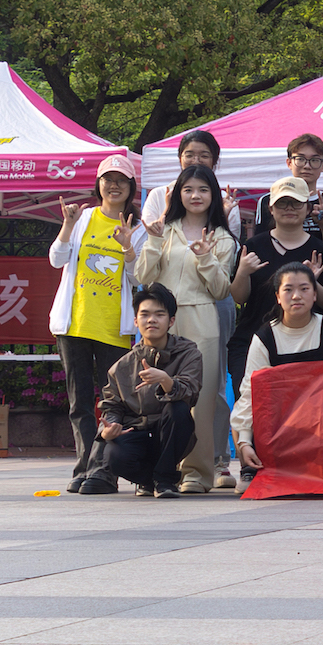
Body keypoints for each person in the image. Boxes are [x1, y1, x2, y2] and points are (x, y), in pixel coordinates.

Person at [134, 162, 236, 493]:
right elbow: (143, 276)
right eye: (188, 189)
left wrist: (205, 257)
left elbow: (220, 290)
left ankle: (196, 473)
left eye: (203, 190)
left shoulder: (223, 237)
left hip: (202, 318)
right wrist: (153, 240)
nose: (195, 196)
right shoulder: (165, 229)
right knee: (154, 397)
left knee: (200, 400)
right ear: (178, 194)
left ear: (214, 195)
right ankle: (156, 471)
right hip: (162, 321)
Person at [51, 153, 141, 491]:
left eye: (121, 180)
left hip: (113, 328)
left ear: (131, 187)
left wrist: (128, 247)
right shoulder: (83, 218)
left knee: (112, 404)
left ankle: (105, 470)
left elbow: (138, 277)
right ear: (99, 184)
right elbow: (56, 259)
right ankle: (84, 467)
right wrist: (67, 225)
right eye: (108, 179)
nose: (114, 186)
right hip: (75, 324)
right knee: (79, 403)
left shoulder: (137, 226)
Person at [230, 263, 323, 478]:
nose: (296, 296)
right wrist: (244, 443)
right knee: (240, 407)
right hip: (278, 421)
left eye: (304, 289)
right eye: (288, 289)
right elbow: (250, 392)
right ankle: (250, 469)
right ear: (278, 296)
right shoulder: (264, 337)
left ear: (315, 294)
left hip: (320, 419)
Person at [228, 176, 323, 395]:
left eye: (296, 203)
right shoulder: (253, 246)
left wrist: (313, 282)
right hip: (254, 339)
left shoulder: (321, 251)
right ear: (271, 209)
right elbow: (239, 298)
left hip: (307, 346)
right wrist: (243, 272)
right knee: (252, 405)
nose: (289, 208)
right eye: (282, 203)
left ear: (307, 208)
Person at [94, 283, 203, 498]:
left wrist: (165, 380)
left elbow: (191, 391)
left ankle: (165, 480)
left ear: (171, 321)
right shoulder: (121, 367)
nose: (151, 320)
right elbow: (112, 406)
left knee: (178, 410)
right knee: (113, 455)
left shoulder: (188, 353)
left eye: (159, 314)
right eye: (144, 315)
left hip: (170, 434)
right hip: (137, 433)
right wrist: (108, 430)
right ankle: (149, 480)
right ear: (136, 321)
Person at [141, 129, 244, 240]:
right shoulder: (158, 195)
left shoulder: (226, 201)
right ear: (180, 158)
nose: (196, 161)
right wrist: (168, 210)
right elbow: (148, 240)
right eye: (189, 155)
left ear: (214, 160)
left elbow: (231, 245)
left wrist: (223, 216)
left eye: (204, 156)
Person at [284, 134, 323, 238]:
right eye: (300, 159)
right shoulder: (272, 200)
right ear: (289, 163)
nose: (307, 166)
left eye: (314, 160)